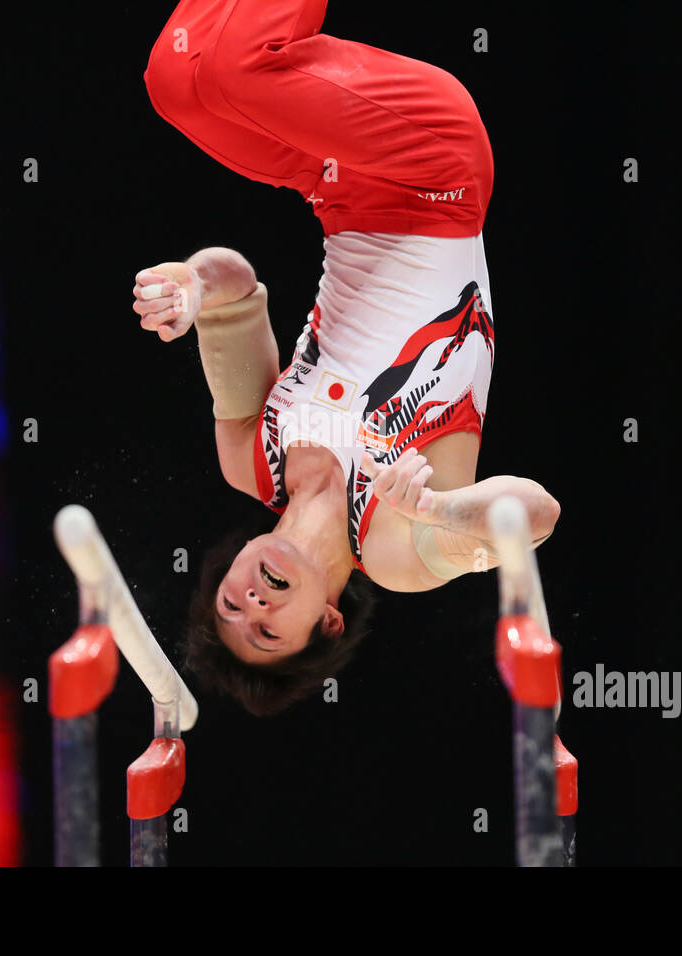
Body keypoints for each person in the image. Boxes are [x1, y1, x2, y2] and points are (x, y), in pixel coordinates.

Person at [132, 0, 560, 715]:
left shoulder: (253, 459)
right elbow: (537, 513)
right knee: (238, 68)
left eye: (229, 607)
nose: (250, 604)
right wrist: (443, 509)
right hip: (436, 177)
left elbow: (233, 287)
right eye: (267, 631)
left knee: (176, 79)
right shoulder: (396, 550)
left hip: (337, 185)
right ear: (326, 623)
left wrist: (191, 288)